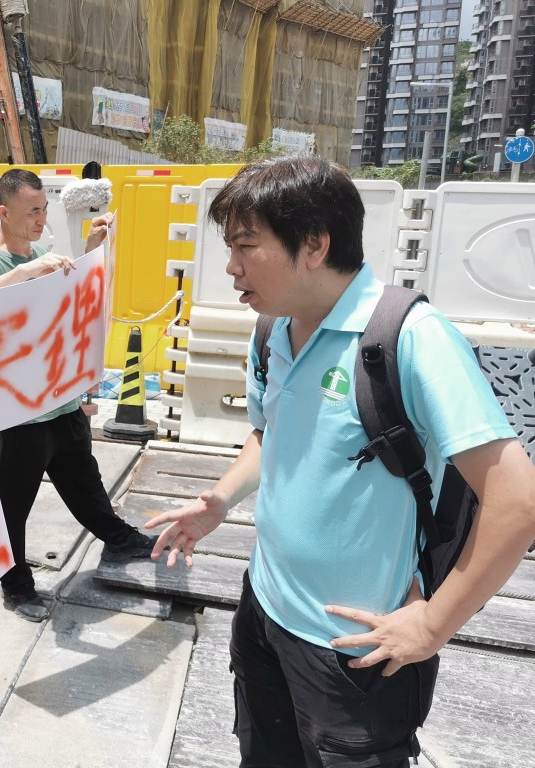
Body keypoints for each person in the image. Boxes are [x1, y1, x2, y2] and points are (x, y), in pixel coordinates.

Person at [147, 156, 535, 767]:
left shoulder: (408, 338)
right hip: (265, 606)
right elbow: (270, 434)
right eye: (229, 246)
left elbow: (517, 500)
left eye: (246, 245)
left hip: (355, 650)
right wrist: (218, 501)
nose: (230, 266)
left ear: (315, 244)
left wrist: (432, 626)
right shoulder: (273, 328)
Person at [0, 168, 157, 622]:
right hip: (21, 412)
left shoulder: (46, 253)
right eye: (32, 211)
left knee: (83, 481)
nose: (41, 218)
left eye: (45, 209)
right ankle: (17, 587)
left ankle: (120, 537)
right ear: (3, 213)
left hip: (62, 400)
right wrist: (26, 271)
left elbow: (75, 296)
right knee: (12, 506)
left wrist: (91, 247)